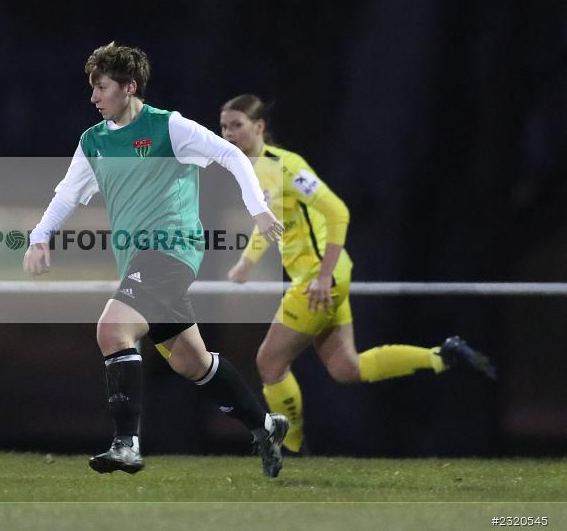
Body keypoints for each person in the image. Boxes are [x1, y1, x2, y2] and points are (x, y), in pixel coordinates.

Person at [24, 42, 290, 477]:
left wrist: (257, 208)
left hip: (172, 250)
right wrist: (39, 238)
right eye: (93, 88)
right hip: (138, 260)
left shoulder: (169, 127)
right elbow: (67, 194)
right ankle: (265, 426)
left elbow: (230, 154)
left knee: (113, 329)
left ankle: (126, 444)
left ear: (129, 87)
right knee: (192, 361)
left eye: (101, 87)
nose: (93, 97)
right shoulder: (93, 141)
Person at [222, 94, 497, 453]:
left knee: (269, 363)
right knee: (346, 368)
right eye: (224, 127)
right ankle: (443, 356)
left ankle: (291, 448)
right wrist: (246, 263)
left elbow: (338, 211)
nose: (228, 134)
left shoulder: (286, 166)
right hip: (327, 277)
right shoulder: (253, 172)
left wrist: (323, 276)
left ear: (259, 126)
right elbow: (270, 223)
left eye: (237, 125)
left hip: (319, 280)